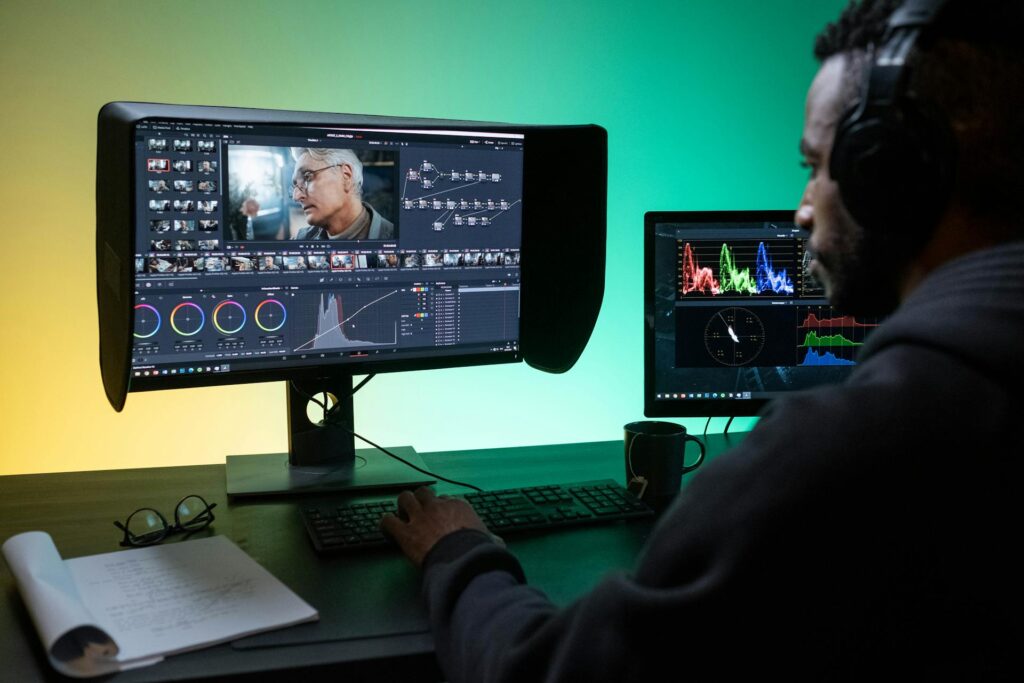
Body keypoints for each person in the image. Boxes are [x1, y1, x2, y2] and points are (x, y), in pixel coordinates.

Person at [380, 0, 1024, 679]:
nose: (803, 206)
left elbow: (541, 671)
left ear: (887, 171)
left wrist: (460, 552)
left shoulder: (849, 452)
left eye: (816, 165)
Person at [290, 147, 394, 241]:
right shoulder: (300, 240)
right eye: (295, 186)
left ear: (346, 176)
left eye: (308, 177)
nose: (297, 197)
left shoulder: (396, 237)